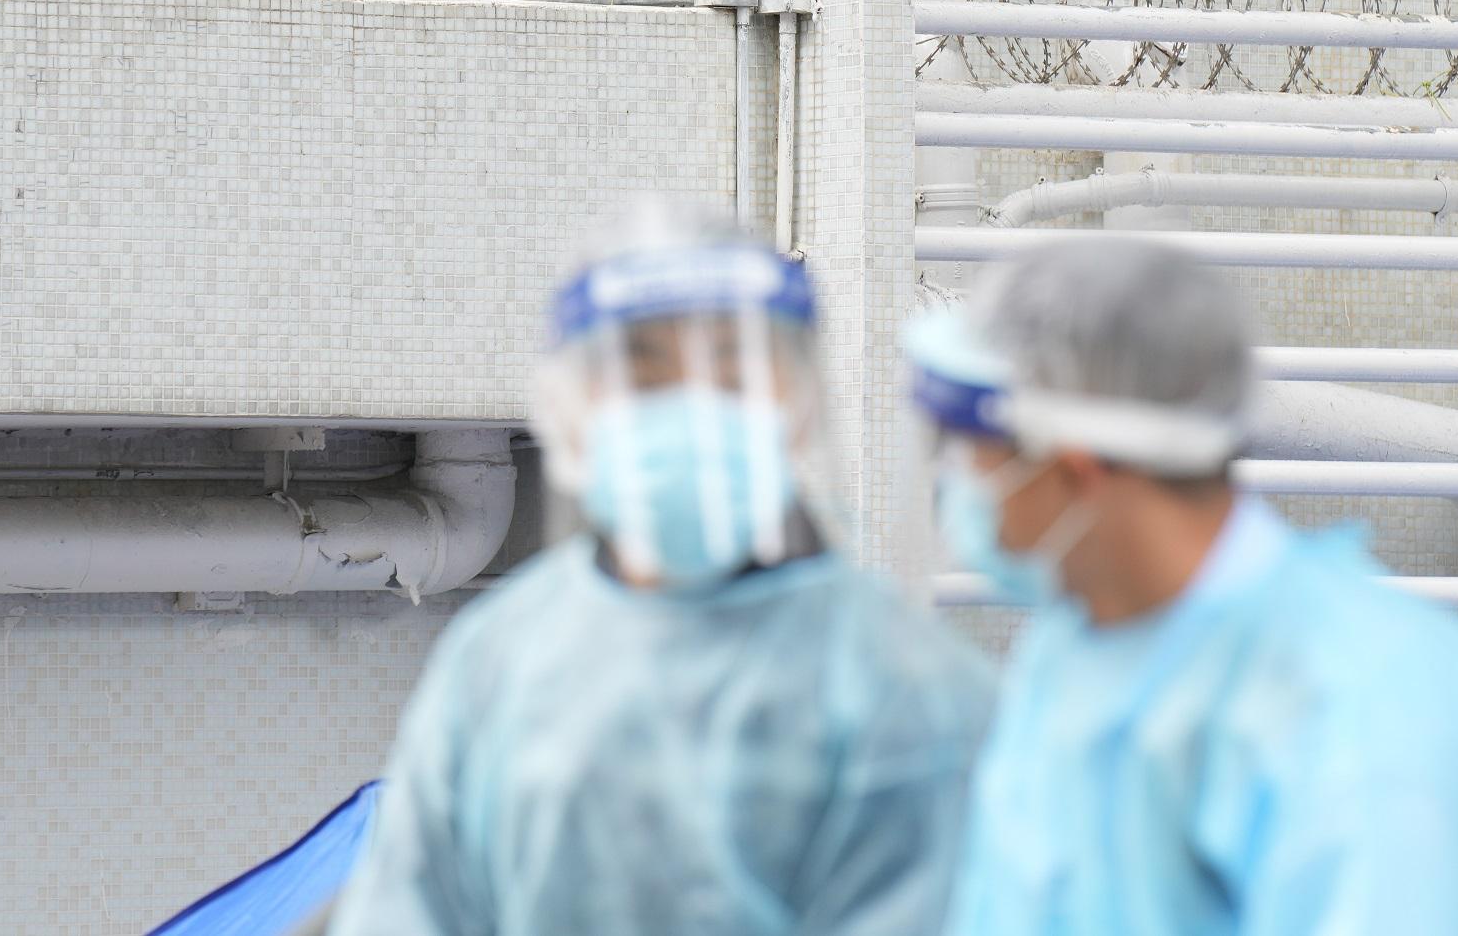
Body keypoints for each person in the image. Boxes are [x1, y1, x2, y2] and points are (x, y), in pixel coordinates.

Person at [906, 236, 1458, 936]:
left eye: (969, 452)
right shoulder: (1079, 650)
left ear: (1077, 469)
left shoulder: (1357, 703)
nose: (951, 482)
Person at [329, 201, 994, 936]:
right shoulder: (498, 663)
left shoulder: (909, 688)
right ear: (570, 407)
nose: (692, 413)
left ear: (802, 402)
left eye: (732, 376)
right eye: (645, 376)